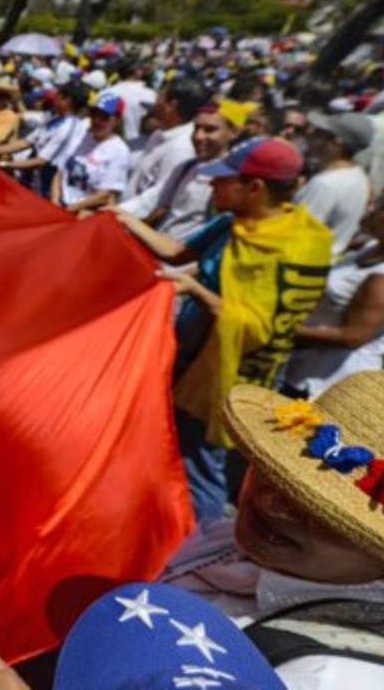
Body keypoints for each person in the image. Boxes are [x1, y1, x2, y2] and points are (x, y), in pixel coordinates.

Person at [0, 372, 384, 690]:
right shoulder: (226, 538)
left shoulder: (327, 674)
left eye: (322, 512)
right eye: (272, 472)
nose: (272, 503)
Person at [117, 137, 332, 521]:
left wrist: (195, 290)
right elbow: (178, 253)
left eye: (223, 180)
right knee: (173, 452)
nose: (212, 186)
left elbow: (255, 326)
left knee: (200, 468)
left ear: (254, 188)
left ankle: (200, 556)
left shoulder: (295, 244)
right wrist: (125, 220)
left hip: (228, 374)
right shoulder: (233, 224)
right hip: (190, 358)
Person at [284, 190, 384, 398]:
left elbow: (353, 336)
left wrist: (279, 329)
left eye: (378, 205)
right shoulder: (369, 248)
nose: (370, 209)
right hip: (302, 369)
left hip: (328, 386)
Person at [125, 100, 243, 241]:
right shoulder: (186, 167)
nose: (198, 136)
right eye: (196, 128)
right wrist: (113, 213)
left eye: (210, 130)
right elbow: (150, 201)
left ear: (233, 132)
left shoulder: (231, 181)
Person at [122, 77, 210, 216]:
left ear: (172, 105)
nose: (155, 100)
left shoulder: (182, 148)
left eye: (160, 96)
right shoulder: (160, 134)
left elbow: (157, 202)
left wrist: (117, 214)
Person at [296, 111, 374, 258]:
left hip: (305, 261)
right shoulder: (360, 177)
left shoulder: (325, 184)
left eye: (320, 133)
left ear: (336, 142)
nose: (312, 137)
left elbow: (298, 231)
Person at [53, 91, 131, 213]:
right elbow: (60, 172)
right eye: (94, 114)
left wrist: (70, 209)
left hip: (83, 213)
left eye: (104, 117)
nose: (97, 120)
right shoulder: (81, 135)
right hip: (60, 205)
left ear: (116, 121)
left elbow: (105, 194)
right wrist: (55, 201)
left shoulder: (119, 151)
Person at [107, 59, 157, 143]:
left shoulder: (106, 94)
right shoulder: (151, 95)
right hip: (143, 148)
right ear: (137, 72)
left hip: (111, 146)